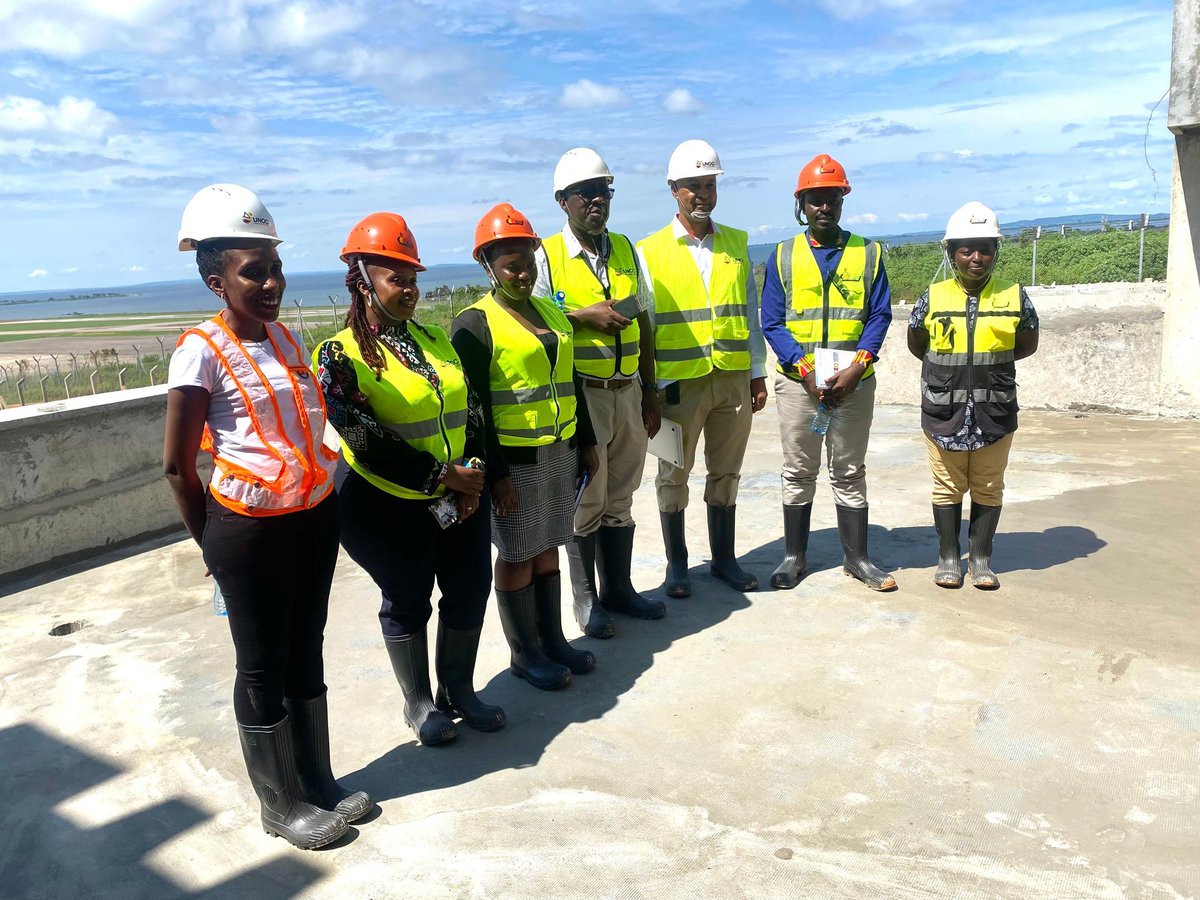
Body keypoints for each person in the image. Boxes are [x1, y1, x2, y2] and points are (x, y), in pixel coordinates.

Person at [162, 184, 370, 850]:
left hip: (310, 518)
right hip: (247, 533)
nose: (273, 281)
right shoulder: (199, 349)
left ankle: (317, 780)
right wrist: (213, 545)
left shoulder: (284, 338)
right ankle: (279, 805)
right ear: (217, 279)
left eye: (275, 267)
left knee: (306, 646)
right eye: (256, 271)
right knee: (261, 665)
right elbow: (176, 466)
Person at [313, 212, 502, 747]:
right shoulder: (338, 355)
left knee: (469, 587)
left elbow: (471, 410)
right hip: (385, 504)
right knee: (408, 594)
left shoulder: (433, 339)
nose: (410, 289)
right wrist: (443, 477)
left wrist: (474, 474)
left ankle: (459, 691)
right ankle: (419, 703)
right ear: (361, 280)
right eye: (396, 277)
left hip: (458, 493)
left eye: (413, 277)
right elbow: (364, 436)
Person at [451, 204, 600, 690]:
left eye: (527, 261)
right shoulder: (475, 323)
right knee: (517, 551)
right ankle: (524, 652)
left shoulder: (551, 311)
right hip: (514, 461)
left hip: (559, 450)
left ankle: (552, 639)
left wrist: (587, 443)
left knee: (549, 543)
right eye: (510, 263)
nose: (522, 272)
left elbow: (571, 380)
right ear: (488, 266)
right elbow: (474, 410)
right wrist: (493, 475)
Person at [534, 147, 665, 641]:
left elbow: (645, 317)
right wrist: (582, 315)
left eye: (602, 191)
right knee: (587, 494)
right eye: (584, 193)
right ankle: (586, 599)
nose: (596, 200)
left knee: (623, 492)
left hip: (627, 390)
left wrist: (649, 390)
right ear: (562, 201)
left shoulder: (628, 250)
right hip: (583, 394)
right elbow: (534, 321)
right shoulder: (546, 256)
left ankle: (619, 589)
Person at [635, 139, 768, 598]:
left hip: (730, 381)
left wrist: (756, 372)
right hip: (675, 388)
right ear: (674, 189)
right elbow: (646, 325)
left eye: (709, 184)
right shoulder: (648, 252)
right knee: (673, 473)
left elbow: (749, 313)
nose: (702, 194)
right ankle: (677, 566)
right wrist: (647, 390)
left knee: (726, 471)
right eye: (692, 185)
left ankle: (725, 561)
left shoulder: (735, 242)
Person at [761, 154, 896, 592]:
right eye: (815, 199)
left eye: (832, 198)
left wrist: (859, 365)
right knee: (798, 470)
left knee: (849, 469)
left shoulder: (869, 253)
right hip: (802, 386)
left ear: (843, 201)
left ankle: (857, 559)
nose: (824, 207)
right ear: (802, 204)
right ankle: (793, 556)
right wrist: (803, 370)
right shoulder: (783, 255)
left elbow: (879, 315)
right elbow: (773, 321)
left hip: (853, 384)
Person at [907, 201, 1039, 589]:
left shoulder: (1016, 296)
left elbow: (1026, 344)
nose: (976, 257)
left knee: (988, 485)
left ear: (996, 252)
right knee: (946, 485)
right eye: (966, 249)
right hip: (943, 409)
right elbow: (918, 344)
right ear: (951, 254)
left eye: (984, 248)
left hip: (993, 411)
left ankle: (980, 558)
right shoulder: (932, 297)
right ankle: (949, 557)